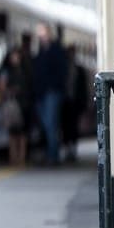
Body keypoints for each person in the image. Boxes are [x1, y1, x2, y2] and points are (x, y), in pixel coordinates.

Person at [31, 23, 67, 165]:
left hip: (53, 92)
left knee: (51, 123)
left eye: (42, 33)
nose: (41, 36)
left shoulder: (56, 50)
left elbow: (62, 71)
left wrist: (55, 85)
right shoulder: (40, 51)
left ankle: (53, 155)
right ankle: (52, 152)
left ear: (48, 34)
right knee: (47, 124)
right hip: (41, 93)